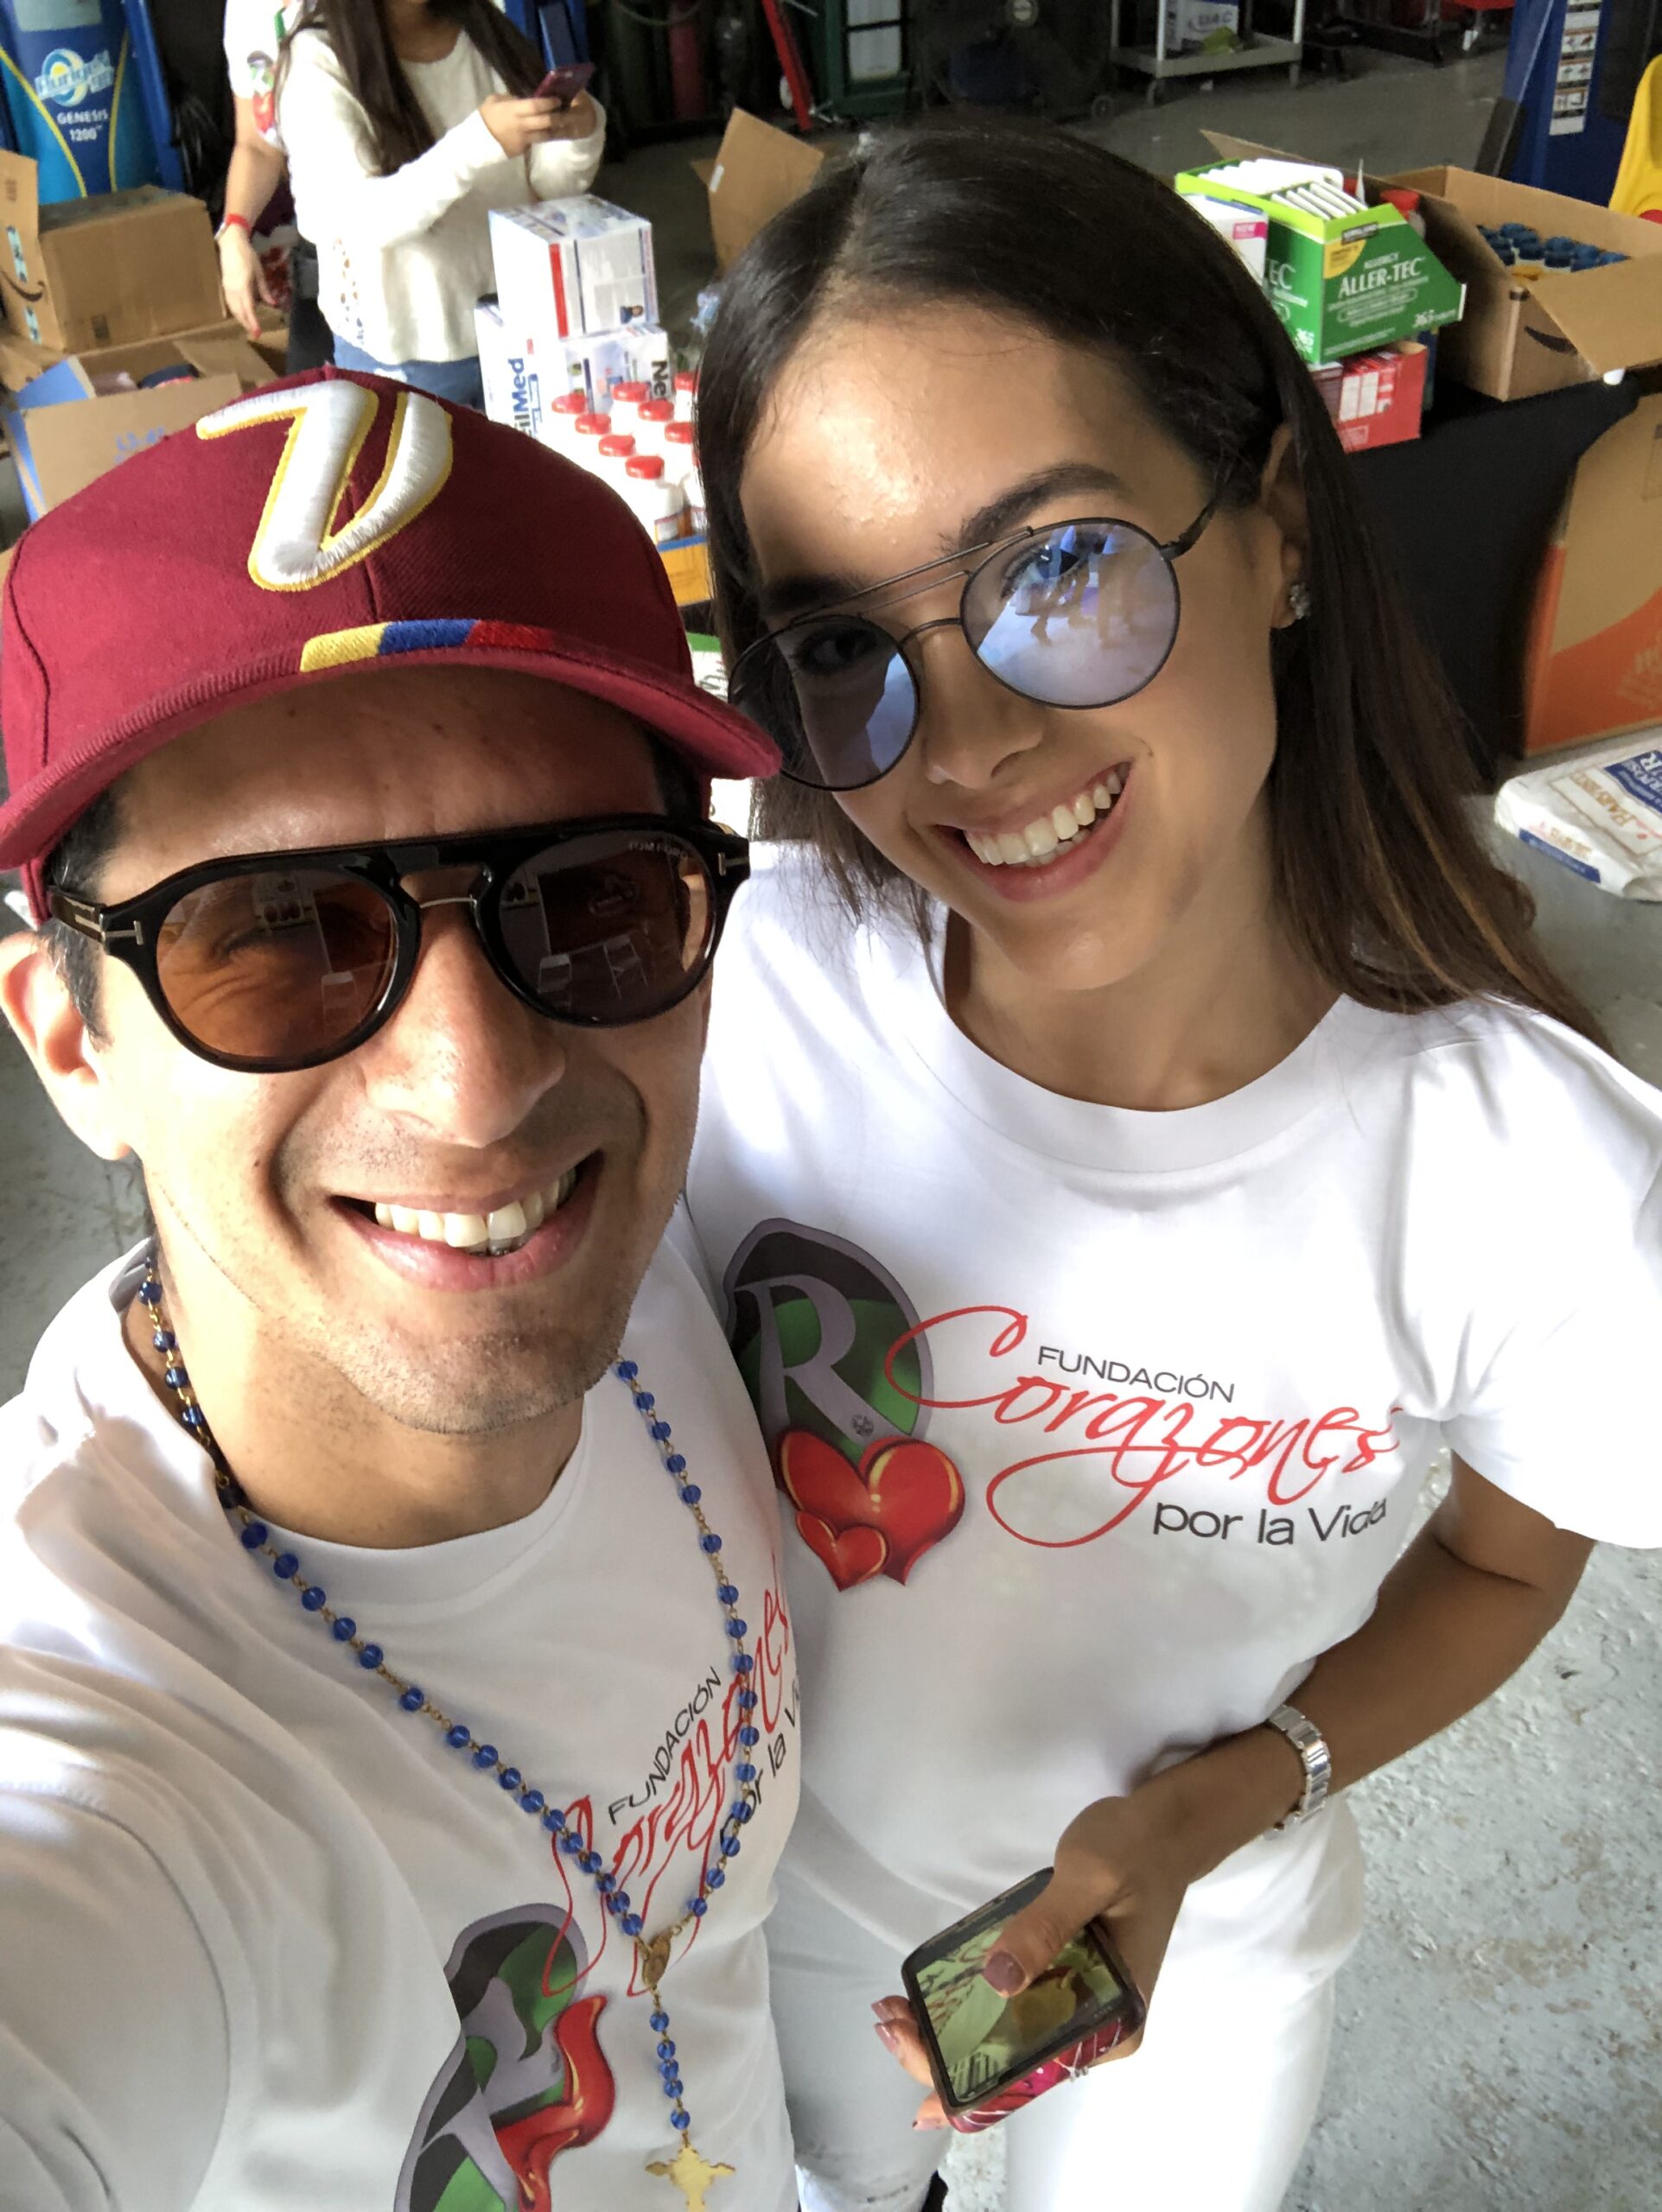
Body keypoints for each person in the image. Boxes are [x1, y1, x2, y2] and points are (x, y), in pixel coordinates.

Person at [684, 128, 1662, 2212]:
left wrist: (1219, 1802)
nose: (964, 748)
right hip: (778, 1927)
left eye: (1054, 569)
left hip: (1206, 1959)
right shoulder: (733, 1003)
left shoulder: (1525, 1173)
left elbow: (1505, 1564)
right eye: (843, 644)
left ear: (1277, 524)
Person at [0, 367, 797, 2210]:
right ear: (74, 1043)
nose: (477, 1084)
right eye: (277, 936)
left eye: (589, 898)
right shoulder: (108, 1761)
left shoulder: (673, 1268)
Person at [275, 0, 605, 408]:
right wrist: (479, 142)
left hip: (521, 336)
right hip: (407, 361)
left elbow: (546, 191)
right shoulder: (318, 58)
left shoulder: (484, 28)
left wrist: (578, 134)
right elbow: (361, 222)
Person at [217, 0, 333, 372]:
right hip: (322, 248)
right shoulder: (247, 11)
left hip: (399, 240)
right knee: (314, 392)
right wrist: (235, 230)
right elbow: (258, 145)